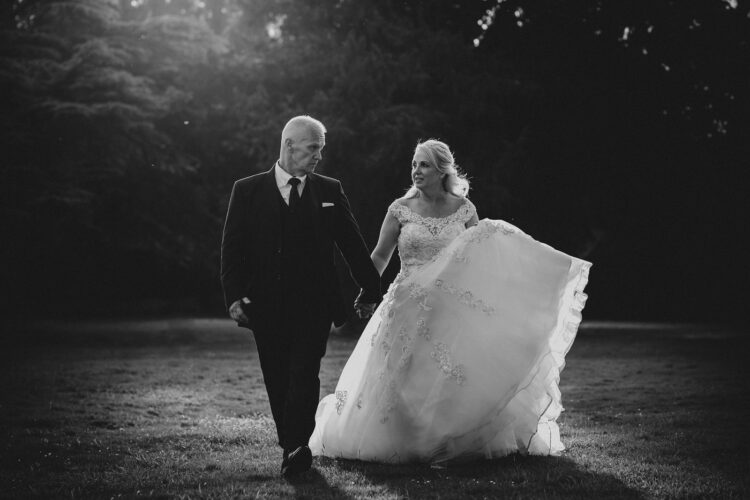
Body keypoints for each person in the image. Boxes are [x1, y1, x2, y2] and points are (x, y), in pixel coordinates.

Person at [310, 139, 591, 463]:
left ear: (442, 170)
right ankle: (404, 438)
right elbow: (380, 256)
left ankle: (448, 439)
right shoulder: (399, 209)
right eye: (414, 164)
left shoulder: (464, 209)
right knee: (403, 375)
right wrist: (367, 288)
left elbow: (482, 254)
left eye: (424, 165)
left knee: (449, 376)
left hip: (453, 308)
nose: (417, 171)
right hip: (407, 304)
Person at [220, 115, 381, 476]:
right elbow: (232, 252)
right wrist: (233, 297)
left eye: (321, 151)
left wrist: (371, 288)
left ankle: (297, 446)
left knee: (305, 373)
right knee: (276, 376)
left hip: (314, 304)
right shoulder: (246, 191)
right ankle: (290, 446)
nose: (319, 157)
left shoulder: (328, 190)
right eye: (313, 149)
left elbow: (352, 244)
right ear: (289, 146)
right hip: (265, 305)